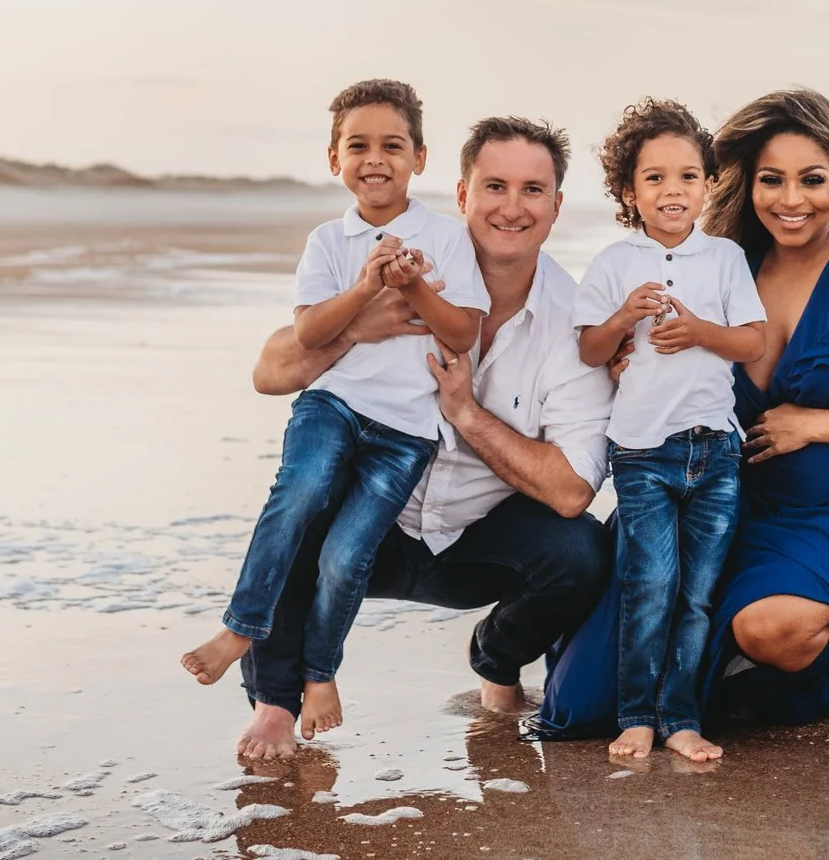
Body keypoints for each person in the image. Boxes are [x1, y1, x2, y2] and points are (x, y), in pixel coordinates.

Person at [534, 87, 829, 735]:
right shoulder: (718, 264)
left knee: (769, 629)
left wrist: (815, 422)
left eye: (812, 179)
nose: (792, 199)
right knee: (580, 707)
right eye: (773, 180)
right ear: (748, 181)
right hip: (740, 495)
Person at [233, 114, 615, 762]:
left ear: (556, 205)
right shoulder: (400, 265)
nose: (512, 207)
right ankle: (276, 703)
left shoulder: (575, 322)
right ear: (462, 194)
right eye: (495, 186)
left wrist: (467, 413)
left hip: (475, 540)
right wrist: (354, 328)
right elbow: (269, 369)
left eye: (532, 190)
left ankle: (495, 661)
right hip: (370, 524)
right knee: (298, 507)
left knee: (579, 552)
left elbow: (575, 488)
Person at [180, 79, 488, 739]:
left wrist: (412, 287)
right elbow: (312, 333)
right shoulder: (328, 240)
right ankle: (241, 625)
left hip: (406, 431)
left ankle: (320, 670)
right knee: (300, 492)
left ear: (421, 158)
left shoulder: (448, 236)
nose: (375, 158)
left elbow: (462, 333)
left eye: (392, 145)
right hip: (334, 404)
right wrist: (366, 286)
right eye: (358, 145)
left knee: (348, 554)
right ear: (333, 159)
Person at [572, 99, 767, 762]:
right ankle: (636, 715)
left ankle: (681, 717)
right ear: (629, 190)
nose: (672, 190)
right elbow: (591, 350)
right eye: (653, 178)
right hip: (642, 452)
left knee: (697, 594)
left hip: (715, 449)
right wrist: (626, 315)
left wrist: (700, 332)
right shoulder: (613, 262)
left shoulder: (725, 259)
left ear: (708, 183)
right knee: (647, 584)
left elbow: (751, 341)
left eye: (687, 175)